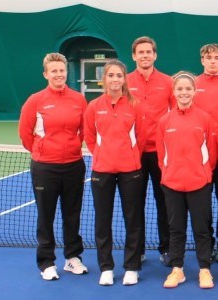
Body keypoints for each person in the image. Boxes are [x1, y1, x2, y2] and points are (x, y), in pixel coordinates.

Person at [19, 52, 88, 281]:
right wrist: (43, 152)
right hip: (45, 168)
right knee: (45, 216)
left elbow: (83, 131)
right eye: (54, 71)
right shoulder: (35, 100)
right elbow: (25, 134)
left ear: (67, 72)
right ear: (46, 74)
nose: (59, 74)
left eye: (62, 70)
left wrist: (70, 150)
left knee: (72, 214)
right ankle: (47, 262)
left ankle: (72, 258)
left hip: (73, 166)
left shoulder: (79, 99)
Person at [83, 60, 146, 286]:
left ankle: (132, 266)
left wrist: (129, 157)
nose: (115, 80)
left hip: (130, 170)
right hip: (102, 171)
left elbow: (141, 137)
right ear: (105, 79)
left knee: (133, 219)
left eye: (119, 75)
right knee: (102, 220)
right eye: (111, 75)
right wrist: (102, 155)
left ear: (124, 79)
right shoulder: (94, 106)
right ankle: (106, 267)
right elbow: (89, 137)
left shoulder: (135, 105)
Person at [158, 72, 218, 289]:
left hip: (199, 184)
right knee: (176, 229)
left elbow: (211, 155)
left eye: (188, 89)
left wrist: (203, 175)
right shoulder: (164, 121)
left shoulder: (205, 119)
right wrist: (169, 175)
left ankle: (204, 269)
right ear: (174, 92)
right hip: (172, 184)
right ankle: (177, 269)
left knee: (202, 228)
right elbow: (161, 155)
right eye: (180, 89)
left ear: (194, 91)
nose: (184, 93)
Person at [126, 36, 174, 265]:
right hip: (134, 154)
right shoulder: (124, 82)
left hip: (161, 154)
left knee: (164, 202)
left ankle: (167, 248)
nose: (145, 55)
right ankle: (138, 250)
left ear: (155, 55)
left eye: (149, 52)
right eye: (140, 52)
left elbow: (175, 114)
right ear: (134, 56)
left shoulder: (168, 82)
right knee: (135, 203)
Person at [194, 43, 218, 263]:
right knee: (202, 202)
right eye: (208, 57)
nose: (212, 61)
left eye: (216, 57)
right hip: (200, 155)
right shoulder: (193, 84)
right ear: (202, 60)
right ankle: (205, 243)